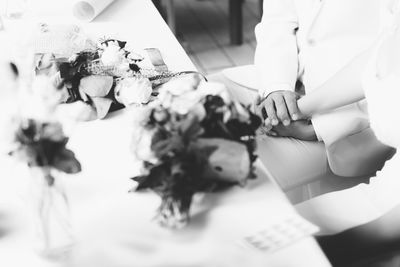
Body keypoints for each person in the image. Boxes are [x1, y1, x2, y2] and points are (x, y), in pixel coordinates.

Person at [210, 0, 394, 192]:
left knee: (238, 182)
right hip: (289, 83)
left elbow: (388, 65)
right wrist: (277, 87)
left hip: (356, 124)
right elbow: (278, 21)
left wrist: (321, 128)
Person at [294, 3, 400, 264]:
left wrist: (316, 254)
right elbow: (372, 63)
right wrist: (299, 110)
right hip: (381, 194)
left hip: (388, 232)